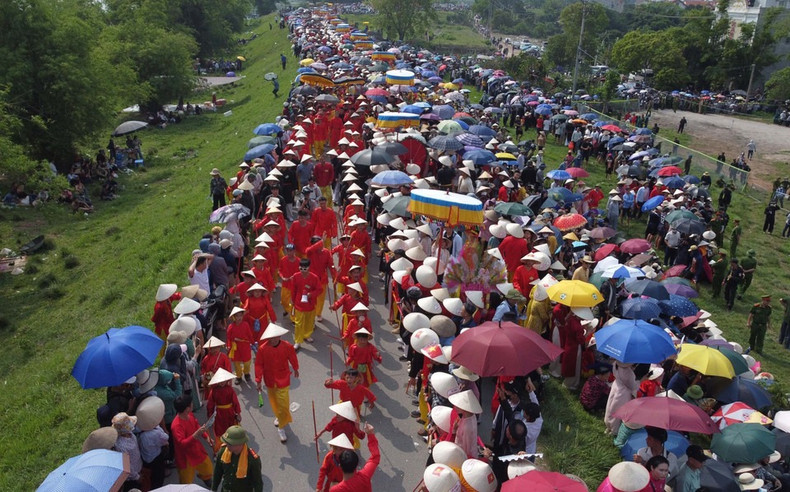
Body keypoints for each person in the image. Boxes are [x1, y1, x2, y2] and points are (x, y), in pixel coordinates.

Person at [255, 323, 299, 443]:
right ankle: (280, 417)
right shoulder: (262, 349)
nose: (273, 339)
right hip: (269, 379)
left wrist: (295, 368)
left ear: (279, 336)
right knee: (274, 401)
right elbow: (259, 365)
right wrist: (258, 380)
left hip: (283, 378)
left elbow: (292, 357)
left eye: (275, 337)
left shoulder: (287, 346)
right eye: (271, 337)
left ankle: (281, 428)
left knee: (283, 403)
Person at [171, 394, 214, 486]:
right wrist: (196, 435)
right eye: (191, 404)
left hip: (196, 451)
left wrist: (206, 437)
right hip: (185, 458)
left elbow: (197, 426)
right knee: (186, 482)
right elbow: (182, 444)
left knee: (208, 469)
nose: (192, 404)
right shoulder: (176, 426)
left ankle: (205, 478)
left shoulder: (190, 414)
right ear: (187, 408)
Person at [211, 425, 263, 492]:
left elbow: (257, 483)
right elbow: (217, 472)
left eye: (230, 443)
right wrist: (213, 489)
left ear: (240, 443)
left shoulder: (252, 459)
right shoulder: (223, 451)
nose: (227, 445)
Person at [330, 423, 379, 492]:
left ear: (340, 466)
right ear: (356, 463)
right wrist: (370, 434)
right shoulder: (365, 475)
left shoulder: (335, 489)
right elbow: (376, 457)